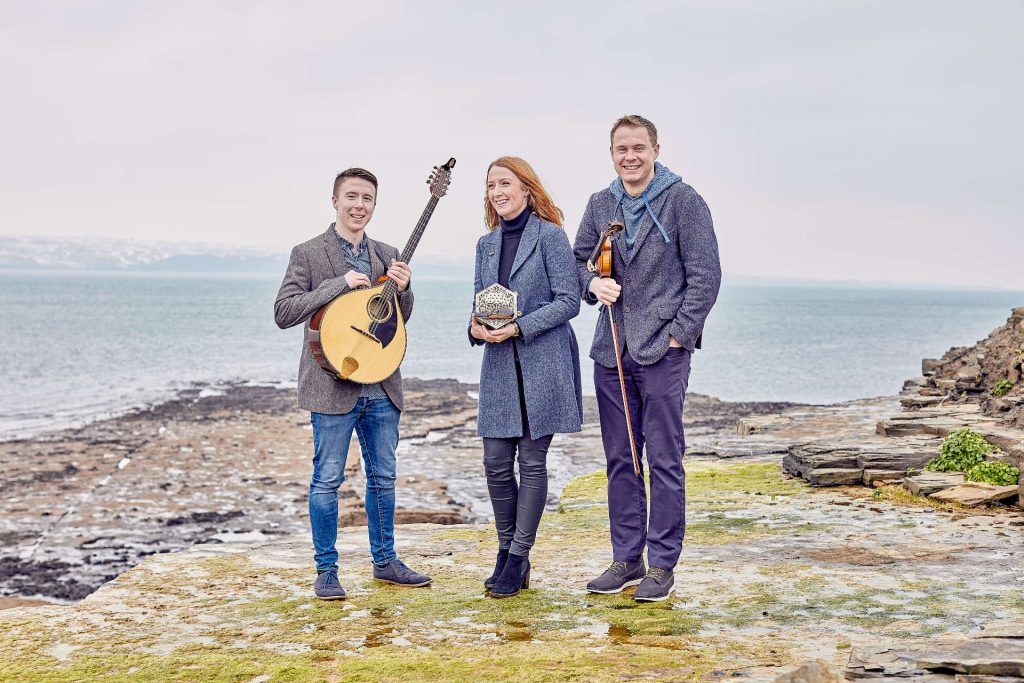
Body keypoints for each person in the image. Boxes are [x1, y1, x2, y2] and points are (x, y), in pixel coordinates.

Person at [573, 115, 721, 602]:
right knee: (620, 458)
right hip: (610, 350)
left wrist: (681, 335)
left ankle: (662, 564)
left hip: (663, 351)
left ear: (656, 149)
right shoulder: (600, 204)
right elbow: (577, 262)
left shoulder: (684, 201)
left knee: (663, 459)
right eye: (621, 149)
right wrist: (592, 283)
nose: (630, 157)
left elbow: (706, 275)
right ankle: (626, 558)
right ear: (611, 153)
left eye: (639, 147)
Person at [274, 167, 432, 600]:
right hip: (332, 385)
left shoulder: (387, 253)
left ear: (374, 205)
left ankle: (386, 562)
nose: (359, 205)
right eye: (352, 197)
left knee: (384, 477)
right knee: (327, 480)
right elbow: (284, 312)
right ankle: (326, 571)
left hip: (381, 385)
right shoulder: (308, 253)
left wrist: (405, 289)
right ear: (335, 201)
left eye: (367, 199)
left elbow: (394, 320)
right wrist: (335, 286)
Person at [470, 156, 583, 598]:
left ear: (526, 189)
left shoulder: (551, 237)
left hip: (543, 362)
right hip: (498, 367)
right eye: (492, 185)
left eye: (506, 183)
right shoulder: (485, 244)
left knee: (531, 463)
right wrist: (475, 329)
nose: (498, 192)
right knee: (496, 464)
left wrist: (520, 326)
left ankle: (517, 559)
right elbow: (480, 303)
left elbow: (569, 301)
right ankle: (505, 552)